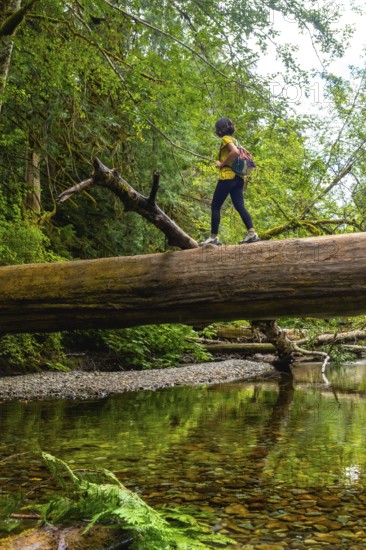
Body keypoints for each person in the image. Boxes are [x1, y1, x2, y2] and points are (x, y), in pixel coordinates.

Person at [199, 117, 259, 246]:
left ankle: (213, 238)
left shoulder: (226, 139)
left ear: (220, 129)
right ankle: (252, 234)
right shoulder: (236, 141)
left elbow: (235, 152)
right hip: (239, 179)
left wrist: (222, 164)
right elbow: (246, 154)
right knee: (240, 206)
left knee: (215, 206)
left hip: (227, 177)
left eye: (217, 128)